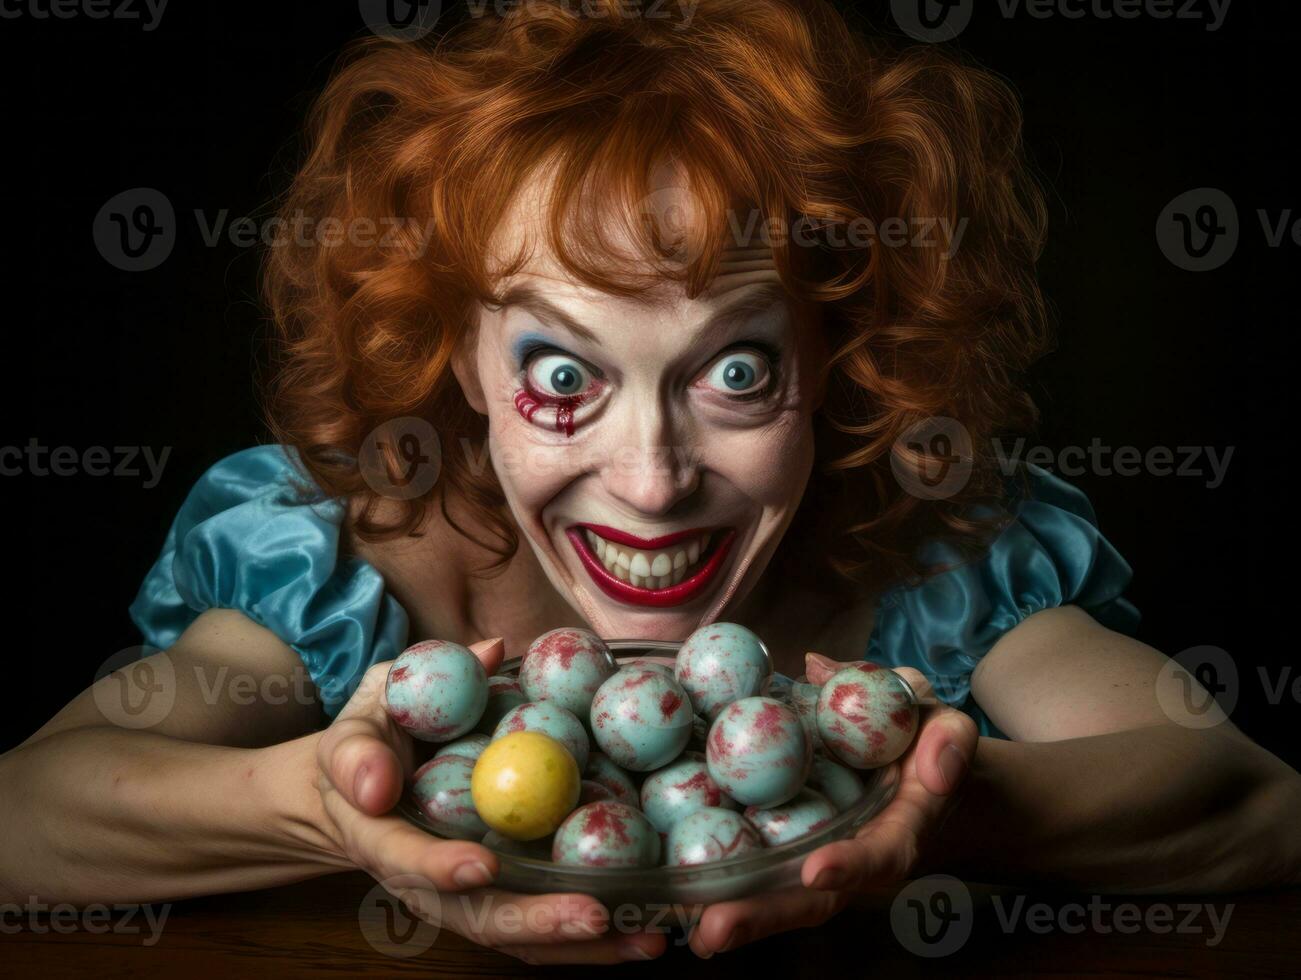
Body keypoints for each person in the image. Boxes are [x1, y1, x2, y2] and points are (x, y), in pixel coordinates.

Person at [2, 0, 1296, 965]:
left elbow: (1254, 800)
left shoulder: (938, 559)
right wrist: (327, 812)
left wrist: (921, 811)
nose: (652, 480)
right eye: (563, 376)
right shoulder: (361, 559)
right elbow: (22, 814)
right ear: (457, 358)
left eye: (733, 370)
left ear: (834, 355)